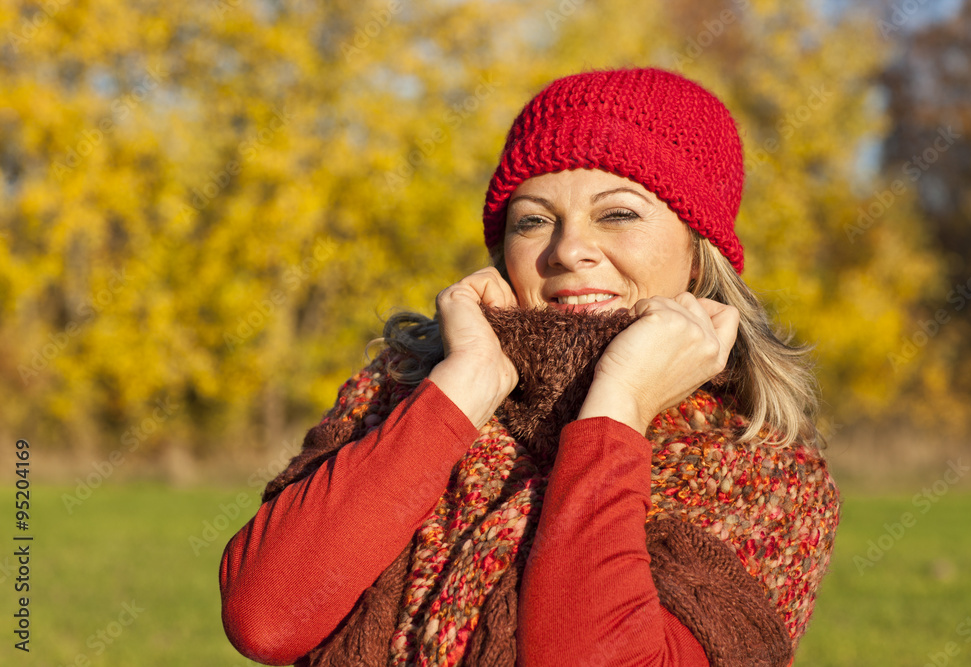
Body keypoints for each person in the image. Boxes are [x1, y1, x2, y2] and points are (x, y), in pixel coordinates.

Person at [219, 67, 840, 667]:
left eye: (618, 214)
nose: (568, 251)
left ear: (699, 254)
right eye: (535, 220)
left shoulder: (763, 471)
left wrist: (618, 406)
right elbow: (266, 619)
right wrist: (461, 389)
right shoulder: (402, 390)